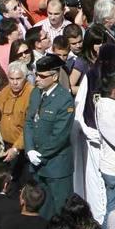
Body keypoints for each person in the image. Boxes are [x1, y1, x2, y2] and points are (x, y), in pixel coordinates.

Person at [23, 52, 75, 218]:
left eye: (41, 76)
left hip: (56, 166)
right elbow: (30, 122)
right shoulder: (36, 93)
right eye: (36, 74)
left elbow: (59, 135)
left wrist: (41, 153)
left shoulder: (64, 99)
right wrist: (30, 149)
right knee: (40, 211)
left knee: (60, 211)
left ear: (54, 76)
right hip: (37, 164)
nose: (36, 79)